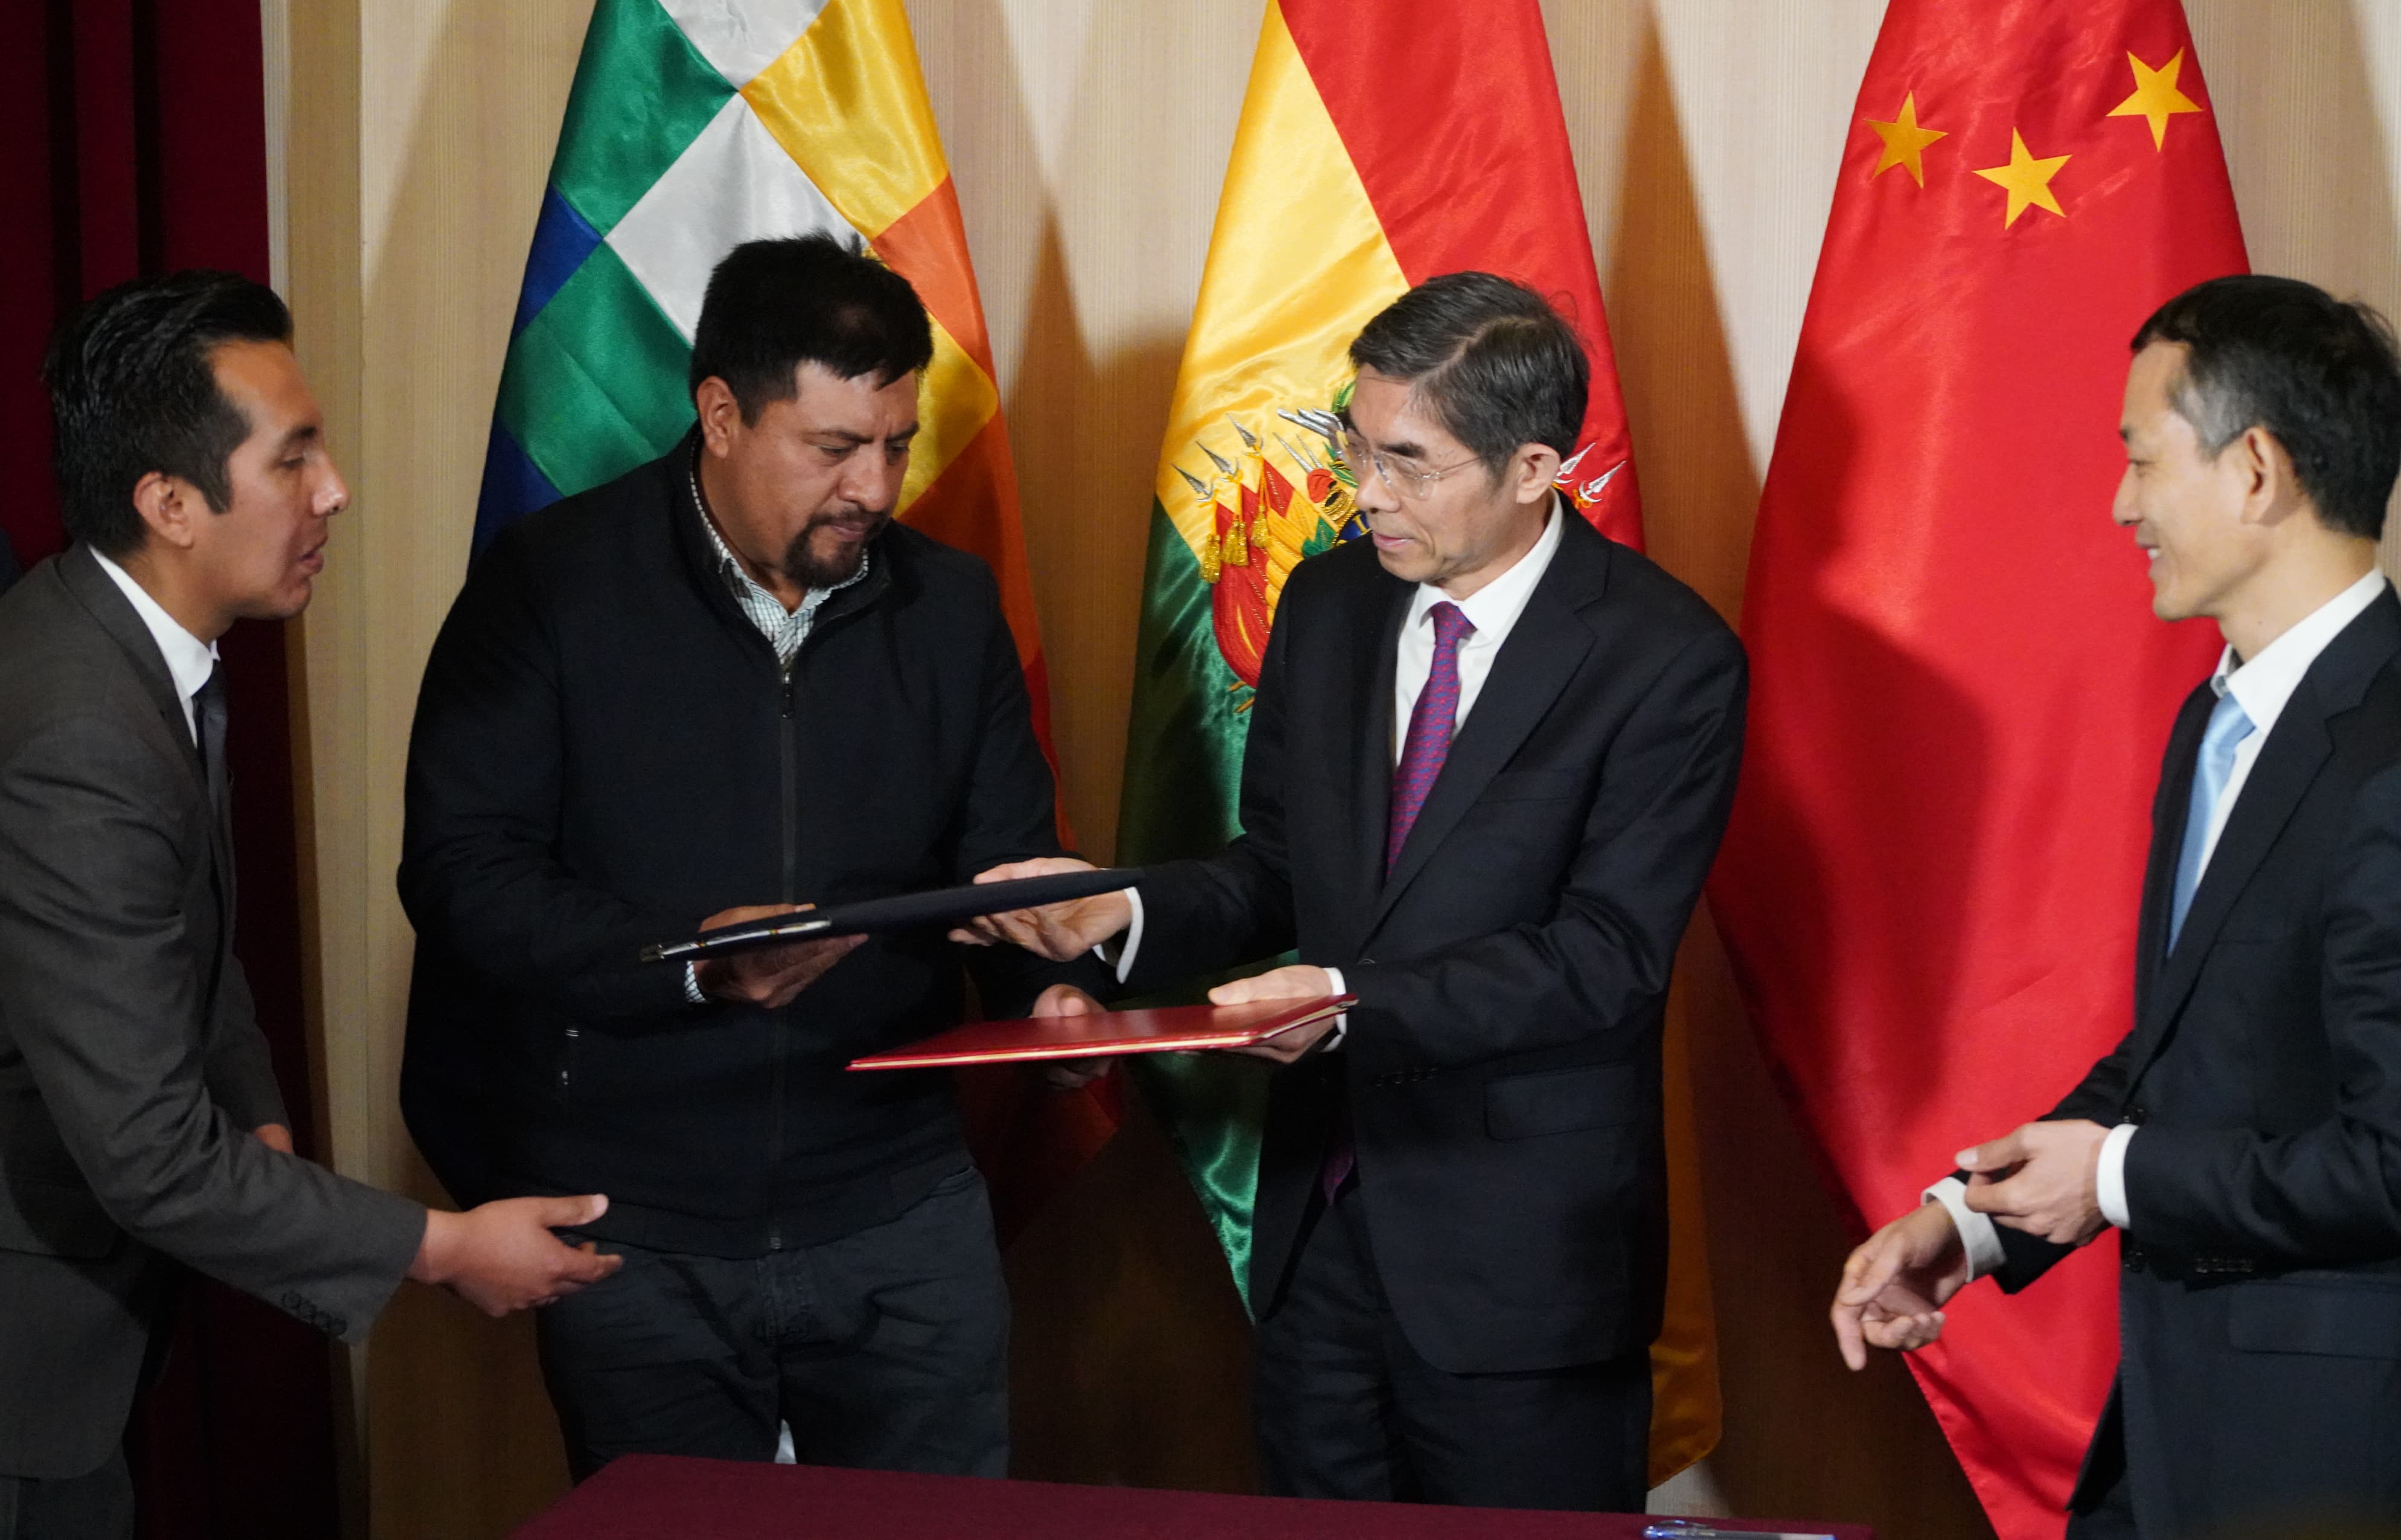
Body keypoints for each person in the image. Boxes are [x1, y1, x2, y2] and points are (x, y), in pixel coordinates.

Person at [964, 273, 1748, 1511]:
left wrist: (1345, 1002)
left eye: (1407, 463)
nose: (1364, 492)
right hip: (1318, 1239)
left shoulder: (1667, 660)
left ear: (1533, 468)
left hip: (1520, 1271)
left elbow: (1606, 956)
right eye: (1354, 447)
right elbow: (1279, 867)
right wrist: (1121, 911)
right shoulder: (1328, 604)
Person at [398, 233, 1104, 1483]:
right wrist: (686, 965)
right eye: (834, 448)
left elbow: (1004, 862)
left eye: (897, 444)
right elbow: (462, 875)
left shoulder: (949, 608)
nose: (874, 488)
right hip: (635, 1222)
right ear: (720, 415)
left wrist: (1050, 995)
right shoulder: (549, 586)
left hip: (899, 1208)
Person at [0, 270, 619, 1540]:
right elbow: (150, 1155)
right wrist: (443, 1247)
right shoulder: (79, 731)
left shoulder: (120, 641)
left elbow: (188, 934)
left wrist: (258, 1118)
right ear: (170, 502)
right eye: (292, 460)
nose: (333, 490)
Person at [1831, 275, 2401, 1538]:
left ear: (2255, 471)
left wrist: (2116, 1176)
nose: (2120, 504)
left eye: (2143, 460)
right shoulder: (2218, 718)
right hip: (2176, 1431)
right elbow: (2187, 1051)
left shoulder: (2389, 754)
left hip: (2330, 1460)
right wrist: (1972, 1225)